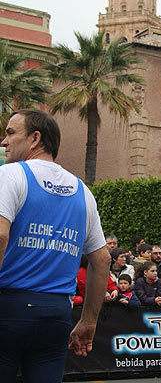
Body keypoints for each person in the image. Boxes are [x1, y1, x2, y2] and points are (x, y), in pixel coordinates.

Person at [0, 109, 109, 383]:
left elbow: (0, 237)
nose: (4, 141)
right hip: (56, 315)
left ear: (35, 138)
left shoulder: (10, 175)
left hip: (9, 308)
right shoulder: (83, 190)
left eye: (11, 133)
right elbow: (102, 259)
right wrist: (88, 321)